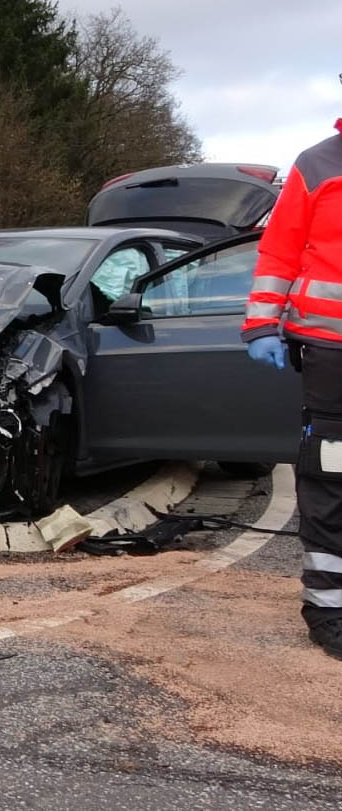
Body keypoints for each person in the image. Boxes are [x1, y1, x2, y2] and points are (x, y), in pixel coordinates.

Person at [243, 115, 342, 658]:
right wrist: (261, 324)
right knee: (331, 475)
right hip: (331, 353)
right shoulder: (318, 163)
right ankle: (329, 606)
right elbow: (278, 251)